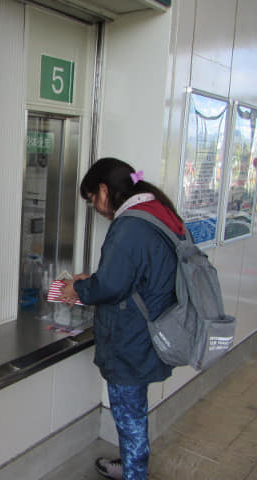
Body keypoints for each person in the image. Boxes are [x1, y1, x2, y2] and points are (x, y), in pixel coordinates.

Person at [60, 157, 184, 480]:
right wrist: (96, 281)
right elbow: (136, 276)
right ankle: (131, 465)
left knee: (129, 419)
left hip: (132, 340)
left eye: (92, 201)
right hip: (151, 330)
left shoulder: (129, 225)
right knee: (134, 414)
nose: (97, 208)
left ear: (104, 190)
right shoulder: (157, 210)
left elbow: (113, 285)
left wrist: (79, 287)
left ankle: (134, 472)